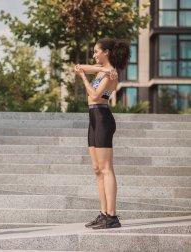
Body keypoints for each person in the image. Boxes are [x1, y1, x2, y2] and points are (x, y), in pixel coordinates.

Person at [74, 38, 131, 229]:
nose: (94, 55)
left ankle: (112, 217)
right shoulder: (104, 71)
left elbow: (94, 95)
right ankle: (104, 213)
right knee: (97, 169)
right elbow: (79, 66)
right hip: (93, 119)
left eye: (96, 51)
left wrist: (83, 77)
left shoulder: (111, 74)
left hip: (103, 119)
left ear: (106, 52)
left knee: (106, 168)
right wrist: (99, 69)